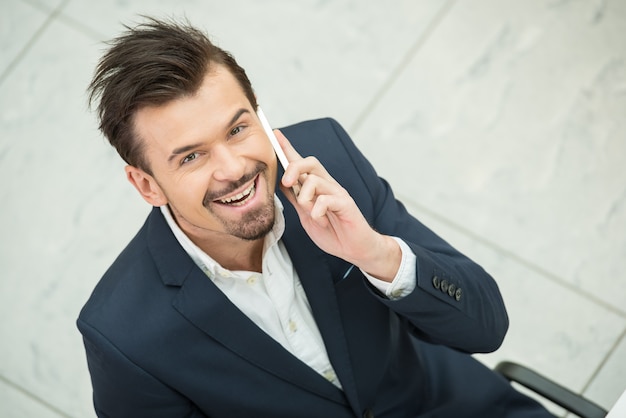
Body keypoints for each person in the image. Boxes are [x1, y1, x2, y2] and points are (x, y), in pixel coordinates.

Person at [77, 17, 554, 418]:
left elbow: (486, 327)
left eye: (239, 129)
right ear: (146, 185)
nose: (234, 169)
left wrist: (376, 254)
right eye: (191, 158)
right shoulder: (123, 336)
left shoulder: (328, 157)